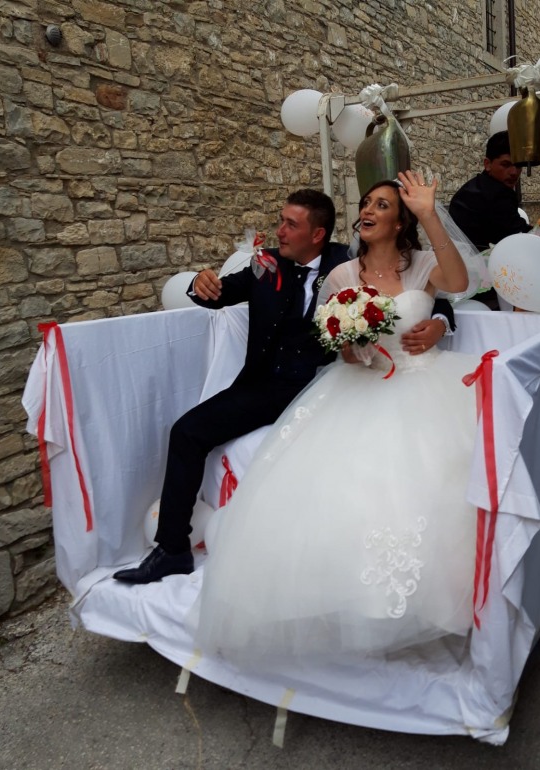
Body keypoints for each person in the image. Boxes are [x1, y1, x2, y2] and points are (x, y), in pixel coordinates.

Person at [193, 171, 482, 661]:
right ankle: (347, 600)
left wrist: (430, 213)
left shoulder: (424, 265)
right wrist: (352, 348)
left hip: (424, 385)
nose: (367, 211)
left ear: (401, 222)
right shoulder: (341, 277)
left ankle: (428, 605)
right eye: (366, 203)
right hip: (358, 387)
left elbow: (459, 282)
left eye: (383, 206)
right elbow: (336, 351)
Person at [114, 189, 455, 584]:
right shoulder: (266, 264)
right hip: (267, 386)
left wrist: (441, 323)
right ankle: (172, 550)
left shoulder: (350, 258)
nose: (279, 231)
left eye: (290, 224)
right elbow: (218, 295)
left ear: (318, 234)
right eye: (281, 221)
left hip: (331, 384)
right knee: (186, 431)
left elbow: (418, 292)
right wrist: (200, 283)